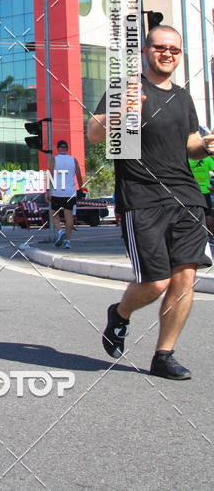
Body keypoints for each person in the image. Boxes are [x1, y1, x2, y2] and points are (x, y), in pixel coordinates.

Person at [87, 25, 213, 380]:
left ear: (180, 54)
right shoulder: (126, 88)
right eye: (161, 48)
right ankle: (120, 314)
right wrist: (121, 111)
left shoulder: (183, 97)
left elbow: (189, 143)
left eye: (175, 49)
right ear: (146, 50)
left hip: (187, 197)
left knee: (185, 277)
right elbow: (94, 133)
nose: (168, 54)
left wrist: (205, 145)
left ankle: (164, 354)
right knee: (155, 283)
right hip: (142, 196)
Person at [47, 140, 84, 249]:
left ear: (58, 149)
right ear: (67, 149)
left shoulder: (54, 159)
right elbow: (79, 175)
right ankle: (67, 241)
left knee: (54, 214)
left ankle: (60, 230)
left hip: (57, 192)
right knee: (69, 217)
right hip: (70, 193)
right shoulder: (73, 160)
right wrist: (81, 189)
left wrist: (47, 191)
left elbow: (50, 175)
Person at [188, 150, 214, 239]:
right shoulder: (207, 159)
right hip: (205, 191)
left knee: (191, 215)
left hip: (191, 191)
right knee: (208, 215)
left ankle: (195, 237)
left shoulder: (187, 159)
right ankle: (210, 237)